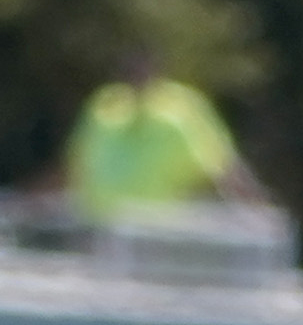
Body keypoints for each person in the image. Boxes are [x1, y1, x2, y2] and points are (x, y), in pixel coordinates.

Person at [49, 51, 270, 223]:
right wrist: (25, 201)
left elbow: (223, 168)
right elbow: (73, 169)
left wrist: (257, 210)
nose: (135, 74)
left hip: (157, 237)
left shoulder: (181, 110)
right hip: (102, 232)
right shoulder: (105, 106)